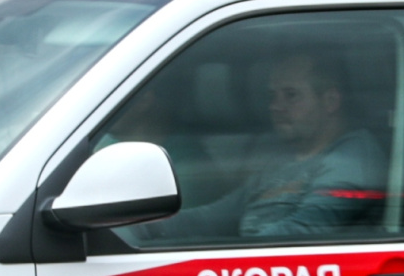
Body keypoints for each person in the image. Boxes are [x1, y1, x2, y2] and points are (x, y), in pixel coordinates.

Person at [130, 52, 387, 242]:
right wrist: (143, 227)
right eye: (272, 95)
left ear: (330, 100)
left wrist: (227, 256)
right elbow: (217, 215)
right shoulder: (284, 160)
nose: (275, 106)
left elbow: (302, 233)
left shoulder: (352, 158)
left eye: (291, 95)